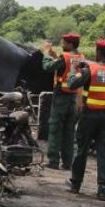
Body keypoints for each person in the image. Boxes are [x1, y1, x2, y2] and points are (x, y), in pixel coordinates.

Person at [67, 39, 105, 201]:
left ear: (98, 52)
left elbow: (72, 84)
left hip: (90, 115)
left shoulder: (91, 69)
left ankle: (75, 184)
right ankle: (103, 190)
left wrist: (75, 70)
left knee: (81, 150)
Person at [41, 33, 85, 169]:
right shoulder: (80, 57)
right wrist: (55, 57)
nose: (61, 44)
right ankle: (67, 163)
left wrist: (46, 53)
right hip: (73, 97)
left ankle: (53, 161)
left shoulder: (64, 57)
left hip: (61, 97)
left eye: (64, 42)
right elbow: (63, 67)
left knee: (55, 128)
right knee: (69, 131)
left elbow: (47, 67)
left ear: (70, 44)